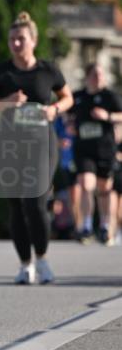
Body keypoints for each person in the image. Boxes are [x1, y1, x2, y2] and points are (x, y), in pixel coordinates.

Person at [0, 11, 73, 284]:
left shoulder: (48, 70)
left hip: (42, 144)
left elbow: (68, 98)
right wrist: (8, 101)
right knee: (16, 205)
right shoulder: (1, 73)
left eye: (20, 39)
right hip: (9, 146)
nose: (15, 44)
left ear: (33, 40)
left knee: (36, 202)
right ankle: (25, 264)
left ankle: (42, 259)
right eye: (11, 40)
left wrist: (55, 109)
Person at [71, 62, 122, 246]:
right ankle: (85, 225)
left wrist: (107, 116)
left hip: (105, 150)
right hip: (84, 150)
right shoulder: (78, 97)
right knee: (85, 184)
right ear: (88, 76)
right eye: (95, 74)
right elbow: (67, 115)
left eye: (101, 75)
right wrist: (69, 123)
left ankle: (105, 225)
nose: (99, 78)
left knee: (104, 189)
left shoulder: (110, 97)